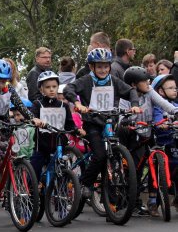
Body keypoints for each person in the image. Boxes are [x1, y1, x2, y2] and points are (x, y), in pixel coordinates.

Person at [63, 48, 142, 199]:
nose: (103, 70)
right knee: (100, 155)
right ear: (92, 67)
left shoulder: (114, 81)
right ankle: (86, 183)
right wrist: (77, 104)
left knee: (114, 154)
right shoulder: (86, 80)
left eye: (106, 66)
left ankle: (112, 194)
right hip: (92, 123)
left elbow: (131, 91)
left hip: (109, 122)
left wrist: (134, 104)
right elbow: (69, 89)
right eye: (99, 66)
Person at [119, 67, 178, 216]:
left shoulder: (150, 92)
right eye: (144, 81)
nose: (148, 83)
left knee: (157, 160)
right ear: (133, 85)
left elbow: (164, 104)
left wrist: (175, 112)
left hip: (149, 132)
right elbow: (121, 117)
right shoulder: (125, 97)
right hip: (132, 134)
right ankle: (131, 200)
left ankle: (153, 199)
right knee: (135, 169)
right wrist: (128, 121)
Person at [30, 72, 82, 180]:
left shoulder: (64, 105)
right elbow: (32, 117)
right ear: (41, 89)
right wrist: (36, 120)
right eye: (47, 87)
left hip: (59, 145)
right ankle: (32, 190)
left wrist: (77, 130)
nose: (51, 89)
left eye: (54, 86)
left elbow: (69, 124)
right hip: (42, 146)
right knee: (35, 168)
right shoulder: (37, 104)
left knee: (61, 171)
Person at [0, 59, 44, 129]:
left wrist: (32, 118)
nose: (0, 85)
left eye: (3, 82)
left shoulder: (8, 87)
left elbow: (19, 104)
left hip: (4, 124)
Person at [151, 74, 178, 212]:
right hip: (162, 144)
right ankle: (154, 202)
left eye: (175, 88)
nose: (175, 90)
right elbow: (157, 119)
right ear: (161, 91)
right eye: (171, 88)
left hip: (175, 142)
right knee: (158, 171)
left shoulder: (176, 105)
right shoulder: (158, 107)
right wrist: (162, 124)